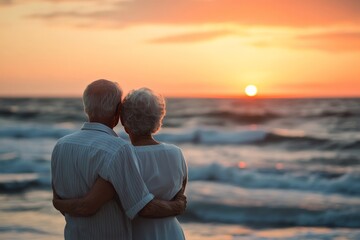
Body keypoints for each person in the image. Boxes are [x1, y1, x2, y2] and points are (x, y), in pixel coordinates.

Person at [51, 80, 186, 240]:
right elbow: (159, 201)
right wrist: (177, 207)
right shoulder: (173, 153)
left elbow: (72, 200)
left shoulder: (61, 145)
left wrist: (57, 203)